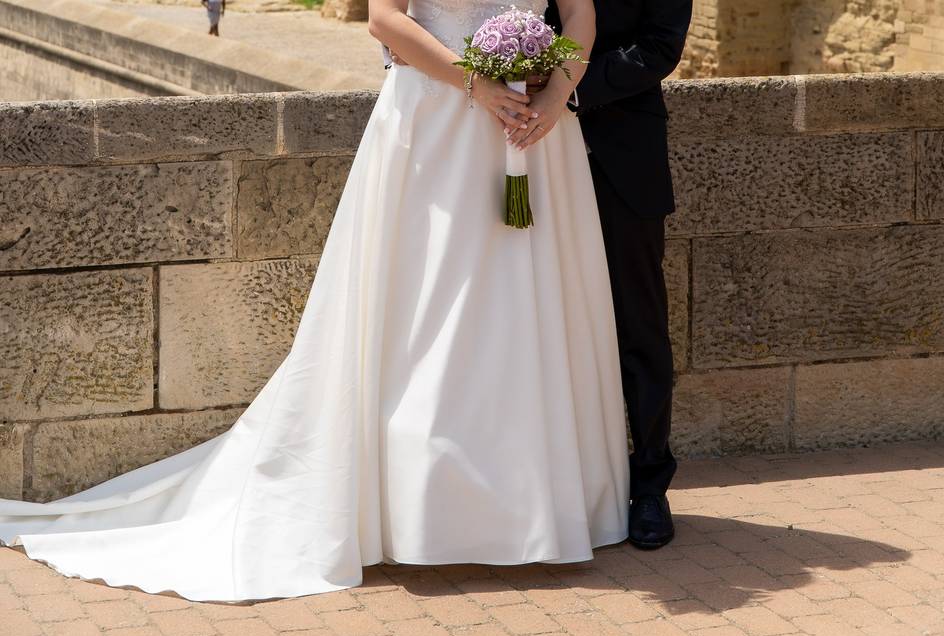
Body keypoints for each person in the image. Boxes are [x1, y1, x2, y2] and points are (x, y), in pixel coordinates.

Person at [0, 0, 629, 603]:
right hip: (435, 126)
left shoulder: (550, 102)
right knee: (430, 312)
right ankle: (424, 515)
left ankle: (531, 506)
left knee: (525, 312)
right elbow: (383, 19)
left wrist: (554, 94)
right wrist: (475, 83)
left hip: (535, 131)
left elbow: (577, 14)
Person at [535, 0, 693, 550]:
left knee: (639, 324)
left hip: (620, 152)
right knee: (531, 316)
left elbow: (659, 46)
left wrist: (565, 89)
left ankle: (649, 485)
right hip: (522, 148)